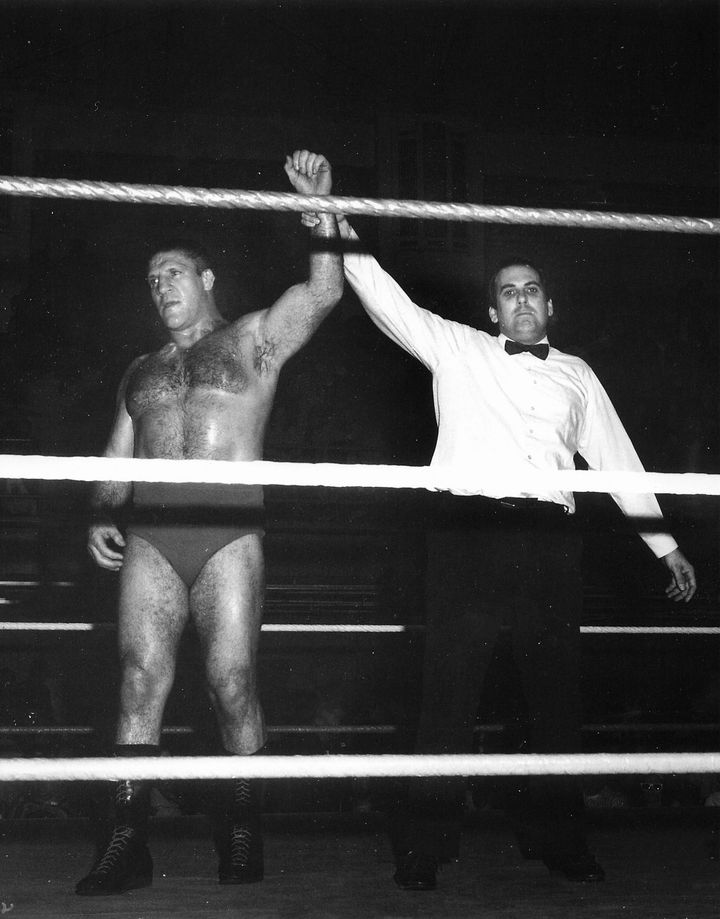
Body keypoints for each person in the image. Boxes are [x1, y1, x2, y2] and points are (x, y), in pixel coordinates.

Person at [333, 214, 696, 890]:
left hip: (550, 543)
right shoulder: (457, 347)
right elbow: (383, 295)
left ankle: (561, 840)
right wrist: (328, 217)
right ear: (492, 307)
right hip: (466, 536)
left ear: (550, 305)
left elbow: (619, 460)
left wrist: (663, 543)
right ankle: (424, 848)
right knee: (446, 697)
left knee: (556, 699)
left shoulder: (580, 375)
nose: (522, 299)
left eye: (533, 289)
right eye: (509, 290)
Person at [75, 150, 342, 896]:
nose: (160, 285)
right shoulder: (141, 370)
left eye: (173, 272)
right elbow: (114, 455)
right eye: (152, 278)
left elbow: (323, 292)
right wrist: (100, 509)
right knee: (137, 682)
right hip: (154, 537)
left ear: (206, 279)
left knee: (231, 681)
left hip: (229, 531)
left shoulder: (254, 337)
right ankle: (126, 844)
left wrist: (319, 210)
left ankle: (244, 828)